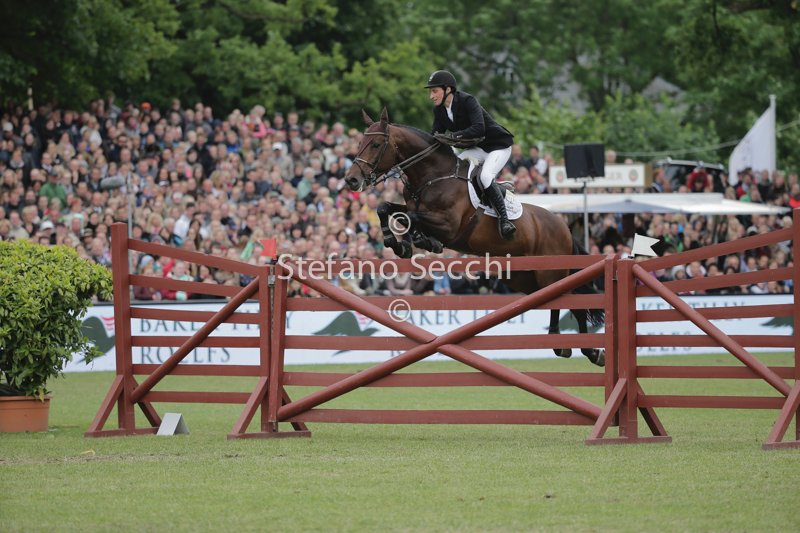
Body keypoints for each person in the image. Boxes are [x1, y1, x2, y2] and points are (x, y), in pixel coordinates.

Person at [425, 70, 516, 239]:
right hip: (478, 149)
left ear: (448, 89)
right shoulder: (439, 111)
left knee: (485, 177)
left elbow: (479, 128)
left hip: (498, 146)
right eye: (431, 92)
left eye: (434, 91)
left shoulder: (467, 101)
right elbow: (435, 136)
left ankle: (504, 221)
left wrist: (453, 137)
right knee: (453, 171)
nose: (431, 96)